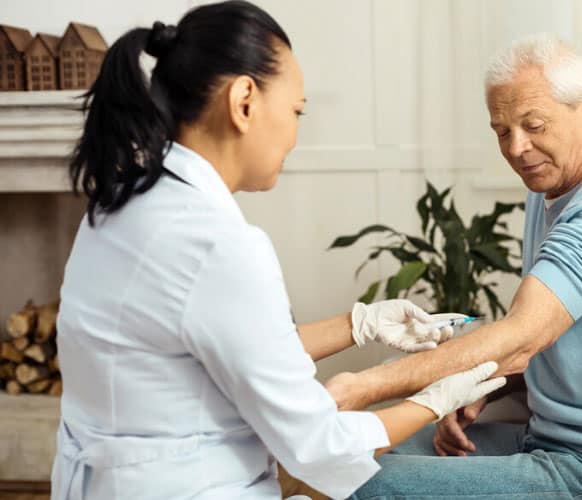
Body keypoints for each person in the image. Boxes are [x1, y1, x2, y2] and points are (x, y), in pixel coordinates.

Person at [50, 2, 505, 499]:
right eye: (295, 111)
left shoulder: (119, 206)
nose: (295, 134)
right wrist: (435, 400)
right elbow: (318, 445)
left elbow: (228, 347)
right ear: (244, 101)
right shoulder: (217, 246)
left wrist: (360, 324)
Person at [336, 34, 582, 499]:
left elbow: (523, 334)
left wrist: (362, 386)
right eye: (502, 131)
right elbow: (553, 338)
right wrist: (480, 388)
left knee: (360, 485)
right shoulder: (549, 190)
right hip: (551, 443)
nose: (517, 148)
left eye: (534, 124)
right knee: (351, 457)